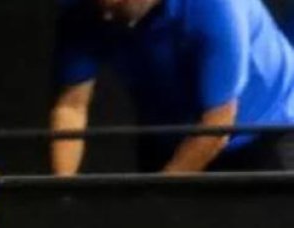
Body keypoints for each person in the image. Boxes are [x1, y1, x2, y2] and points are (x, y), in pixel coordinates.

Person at [51, 0, 294, 174]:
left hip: (270, 125)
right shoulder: (83, 11)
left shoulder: (216, 7)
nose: (106, 18)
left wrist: (156, 199)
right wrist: (63, 191)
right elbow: (71, 107)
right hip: (171, 132)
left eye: (118, 7)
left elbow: (218, 123)